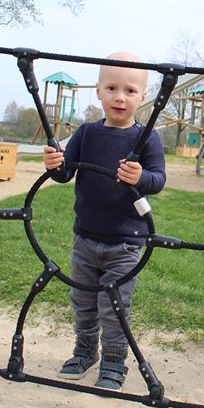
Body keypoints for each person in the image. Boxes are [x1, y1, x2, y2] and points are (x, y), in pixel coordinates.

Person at [43, 52, 166, 390]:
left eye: (129, 90)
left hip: (126, 242)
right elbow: (65, 173)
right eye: (111, 87)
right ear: (98, 91)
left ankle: (114, 361)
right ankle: (85, 351)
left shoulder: (146, 138)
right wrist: (55, 164)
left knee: (114, 306)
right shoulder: (86, 134)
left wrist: (140, 176)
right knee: (82, 301)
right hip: (85, 239)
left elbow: (158, 180)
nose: (120, 97)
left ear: (142, 97)